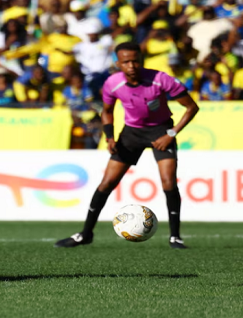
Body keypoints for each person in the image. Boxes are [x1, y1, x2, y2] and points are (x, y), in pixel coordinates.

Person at [55, 42, 199, 249]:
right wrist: (109, 137)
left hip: (161, 131)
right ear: (118, 63)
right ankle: (85, 234)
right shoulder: (112, 83)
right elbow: (107, 111)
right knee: (107, 183)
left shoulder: (160, 79)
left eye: (135, 61)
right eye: (126, 62)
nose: (131, 66)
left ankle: (175, 236)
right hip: (131, 134)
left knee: (168, 182)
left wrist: (171, 134)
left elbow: (192, 107)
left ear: (141, 60)